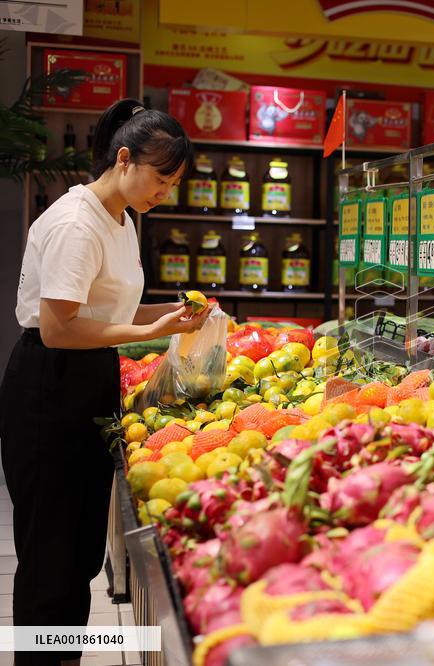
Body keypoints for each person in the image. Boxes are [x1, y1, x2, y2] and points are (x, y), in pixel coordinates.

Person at [0, 99, 207, 665]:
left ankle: (65, 654)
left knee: (82, 543)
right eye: (161, 179)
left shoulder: (123, 219)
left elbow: (110, 309)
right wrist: (149, 328)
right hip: (50, 382)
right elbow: (61, 328)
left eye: (174, 183)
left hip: (91, 375)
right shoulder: (76, 222)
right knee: (49, 551)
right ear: (123, 158)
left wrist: (169, 313)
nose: (165, 192)